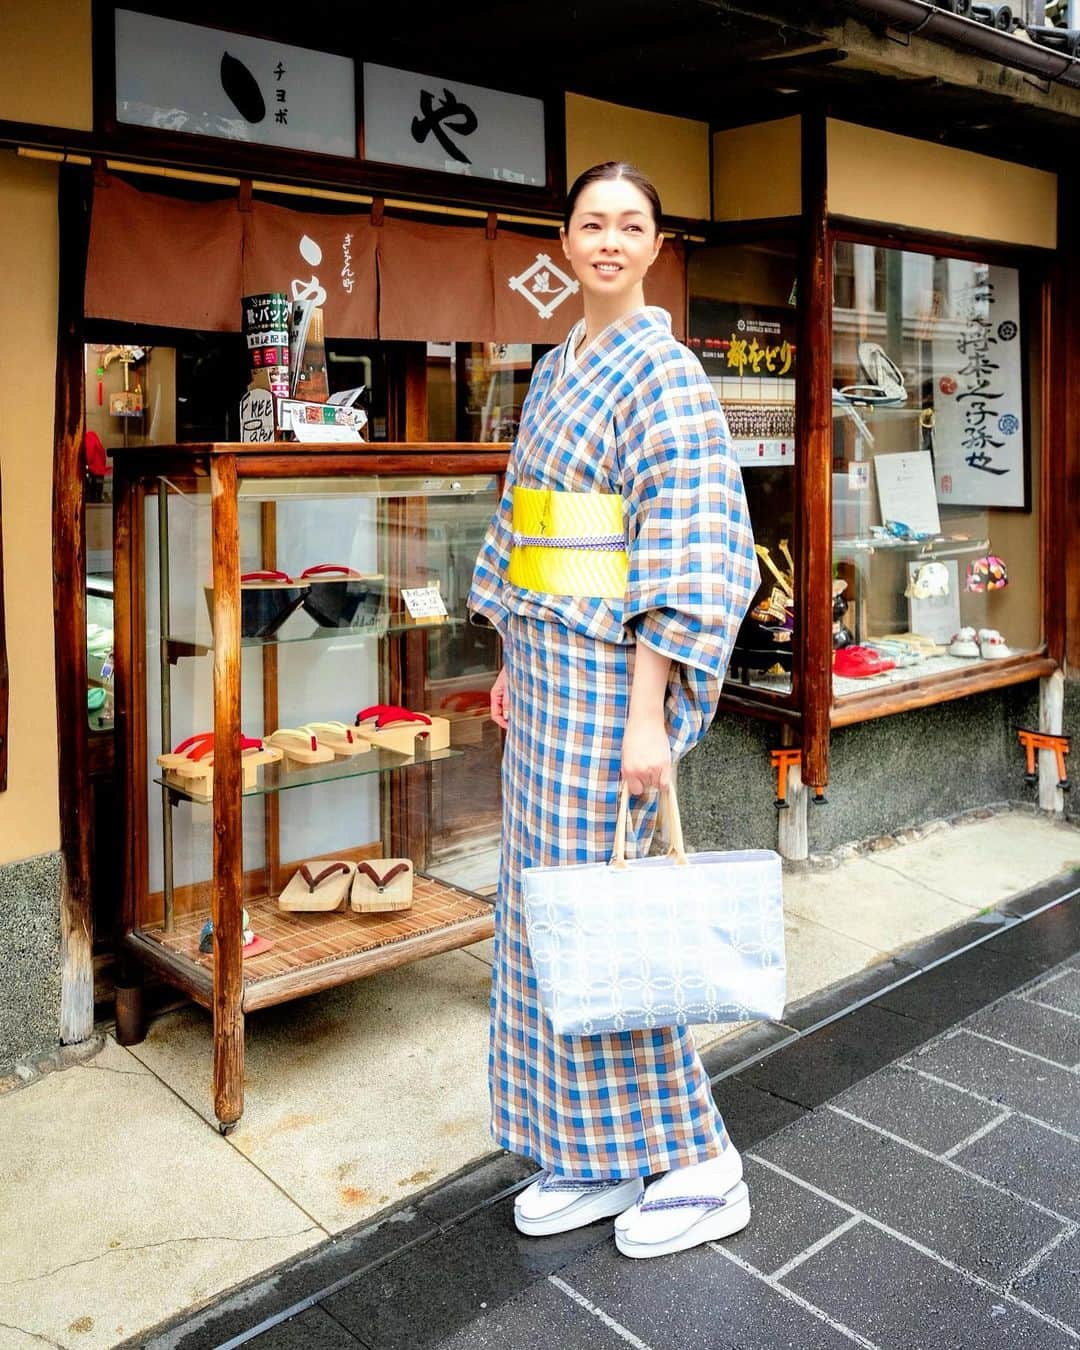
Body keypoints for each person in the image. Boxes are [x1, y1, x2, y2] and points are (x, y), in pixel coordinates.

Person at [467, 161, 760, 1259]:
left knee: (610, 913)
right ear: (562, 239)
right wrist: (509, 651)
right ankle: (593, 1146)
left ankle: (697, 1157)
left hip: (610, 684)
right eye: (592, 221)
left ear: (655, 246)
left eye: (630, 224)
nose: (608, 239)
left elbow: (683, 546)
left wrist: (652, 716)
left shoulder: (666, 374)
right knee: (548, 912)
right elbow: (528, 522)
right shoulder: (558, 367)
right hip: (545, 677)